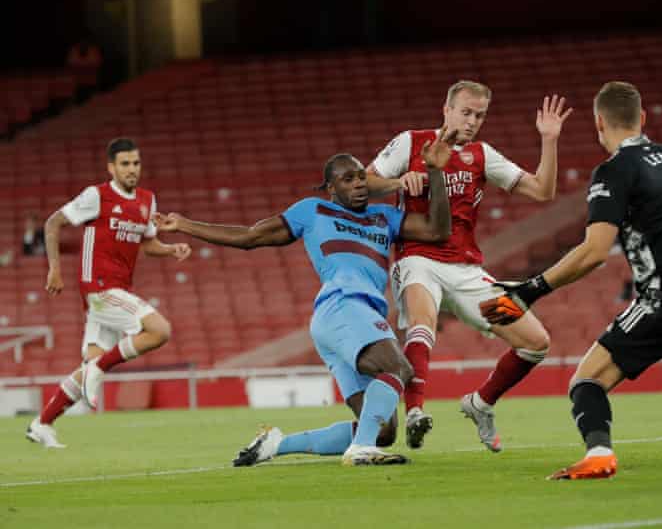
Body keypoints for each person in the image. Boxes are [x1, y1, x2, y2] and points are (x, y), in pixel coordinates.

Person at [480, 81, 662, 479]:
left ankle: (600, 454)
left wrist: (529, 290)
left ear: (599, 123)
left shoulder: (615, 170)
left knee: (585, 381)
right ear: (642, 118)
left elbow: (594, 251)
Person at [153, 131, 455, 467]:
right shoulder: (312, 211)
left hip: (343, 322)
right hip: (343, 307)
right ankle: (360, 451)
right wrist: (184, 224)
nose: (358, 184)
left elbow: (437, 230)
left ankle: (276, 444)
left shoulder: (384, 217)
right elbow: (251, 236)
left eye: (360, 177)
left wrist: (436, 173)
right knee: (398, 367)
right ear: (331, 189)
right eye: (347, 179)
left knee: (383, 431)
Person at [366, 81, 572, 451]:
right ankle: (415, 411)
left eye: (480, 115)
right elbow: (364, 181)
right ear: (446, 110)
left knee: (536, 342)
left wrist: (550, 140)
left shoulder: (482, 154)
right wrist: (399, 180)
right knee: (422, 321)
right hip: (419, 258)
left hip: (468, 275)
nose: (473, 120)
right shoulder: (411, 143)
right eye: (466, 112)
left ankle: (481, 403)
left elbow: (542, 190)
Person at [26, 138, 191, 448]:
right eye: (125, 164)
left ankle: (42, 423)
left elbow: (148, 244)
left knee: (88, 365)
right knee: (159, 329)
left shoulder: (147, 200)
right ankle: (98, 371)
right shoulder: (96, 196)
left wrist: (171, 250)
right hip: (99, 288)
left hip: (119, 288)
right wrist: (54, 268)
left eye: (136, 163)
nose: (132, 169)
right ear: (111, 167)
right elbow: (53, 223)